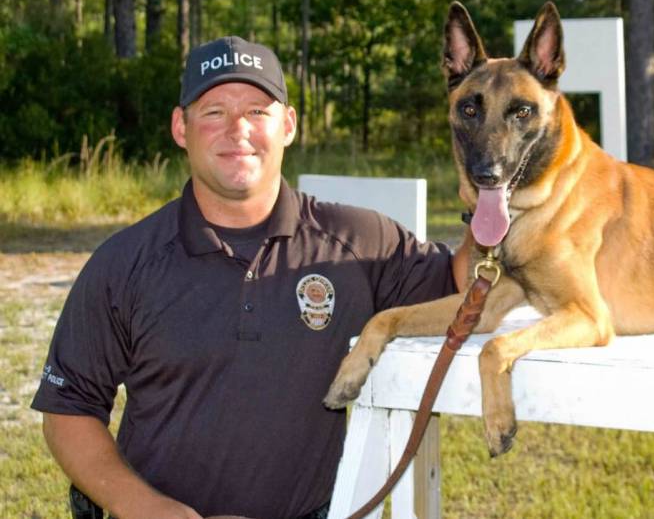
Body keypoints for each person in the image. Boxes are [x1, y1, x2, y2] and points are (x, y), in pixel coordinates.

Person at [32, 36, 470, 519]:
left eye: (258, 111)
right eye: (214, 111)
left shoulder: (356, 242)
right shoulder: (126, 261)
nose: (237, 130)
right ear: (181, 127)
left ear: (288, 125)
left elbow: (465, 285)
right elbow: (68, 408)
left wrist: (491, 199)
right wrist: (149, 510)